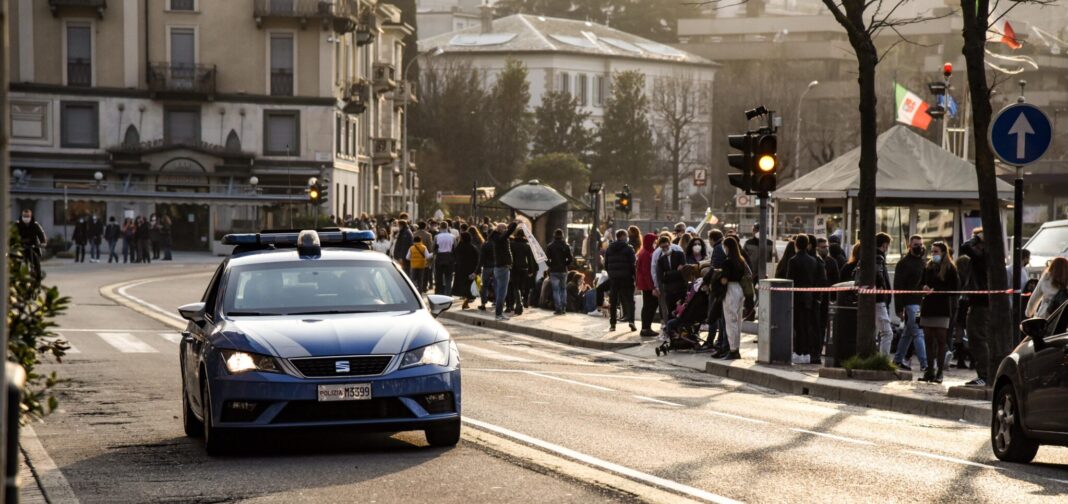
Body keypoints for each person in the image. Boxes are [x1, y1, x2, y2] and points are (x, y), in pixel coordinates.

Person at [919, 242, 960, 383]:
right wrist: (923, 287)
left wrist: (936, 289)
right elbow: (920, 283)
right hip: (928, 307)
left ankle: (940, 372)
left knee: (941, 340)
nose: (933, 254)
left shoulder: (950, 268)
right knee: (928, 340)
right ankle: (929, 371)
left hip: (942, 307)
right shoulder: (928, 266)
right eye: (932, 251)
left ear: (943, 252)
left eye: (936, 251)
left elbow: (954, 288)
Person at [959, 227, 990, 386]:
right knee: (977, 338)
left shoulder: (982, 256)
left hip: (980, 303)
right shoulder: (981, 257)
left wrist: (977, 238)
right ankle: (984, 374)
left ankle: (984, 376)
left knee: (977, 338)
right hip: (978, 301)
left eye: (976, 241)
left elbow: (964, 247)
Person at [787, 234, 824, 363]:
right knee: (807, 325)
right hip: (809, 297)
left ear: (796, 244)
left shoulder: (793, 260)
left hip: (796, 297)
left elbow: (789, 280)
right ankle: (807, 353)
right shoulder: (813, 260)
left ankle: (798, 351)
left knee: (797, 325)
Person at [893, 235, 928, 371]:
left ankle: (897, 359)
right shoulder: (903, 263)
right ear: (909, 246)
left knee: (908, 332)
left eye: (920, 244)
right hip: (910, 303)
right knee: (918, 332)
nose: (918, 247)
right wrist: (899, 308)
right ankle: (925, 364)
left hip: (918, 303)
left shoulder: (922, 262)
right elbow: (898, 286)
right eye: (915, 244)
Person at [718, 236, 749, 360]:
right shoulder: (741, 260)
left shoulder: (727, 261)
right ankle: (736, 348)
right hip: (740, 289)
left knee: (730, 322)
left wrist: (718, 277)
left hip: (730, 290)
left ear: (727, 247)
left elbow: (725, 280)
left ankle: (733, 349)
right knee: (738, 321)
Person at [605, 229, 637, 332]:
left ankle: (613, 324)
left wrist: (611, 274)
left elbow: (606, 265)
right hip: (626, 278)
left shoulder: (609, 248)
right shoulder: (629, 249)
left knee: (613, 301)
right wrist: (634, 277)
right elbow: (633, 265)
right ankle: (631, 321)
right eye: (626, 236)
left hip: (614, 279)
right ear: (623, 236)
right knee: (629, 301)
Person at [655, 235, 687, 325]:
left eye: (666, 246)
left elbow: (683, 272)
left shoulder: (680, 255)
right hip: (669, 291)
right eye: (662, 247)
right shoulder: (660, 260)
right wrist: (675, 272)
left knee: (682, 311)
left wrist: (668, 274)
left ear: (670, 244)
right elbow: (661, 277)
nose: (665, 249)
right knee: (670, 312)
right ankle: (671, 332)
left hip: (681, 289)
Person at [489, 221, 519, 321]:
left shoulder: (496, 237)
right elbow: (508, 232)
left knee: (501, 292)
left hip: (501, 267)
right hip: (502, 268)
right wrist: (515, 223)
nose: (506, 230)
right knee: (502, 293)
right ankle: (498, 314)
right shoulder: (499, 238)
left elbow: (507, 232)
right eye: (504, 228)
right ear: (500, 229)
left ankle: (499, 313)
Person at [507, 229, 537, 315]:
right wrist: (531, 270)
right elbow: (530, 259)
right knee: (520, 287)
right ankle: (518, 303)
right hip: (524, 268)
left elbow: (510, 256)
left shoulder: (512, 244)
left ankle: (516, 304)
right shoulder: (527, 245)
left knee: (513, 286)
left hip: (514, 268)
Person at [873, 232, 894, 355]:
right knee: (887, 333)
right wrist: (881, 285)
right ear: (885, 245)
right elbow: (879, 274)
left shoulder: (872, 256)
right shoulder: (878, 258)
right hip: (879, 300)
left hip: (877, 299)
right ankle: (883, 361)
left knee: (876, 332)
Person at [545, 229, 573, 315]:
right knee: (563, 289)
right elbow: (570, 259)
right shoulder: (566, 245)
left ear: (554, 235)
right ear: (562, 235)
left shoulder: (550, 246)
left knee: (556, 290)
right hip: (563, 270)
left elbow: (546, 259)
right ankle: (564, 307)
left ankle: (558, 308)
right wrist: (565, 264)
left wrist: (550, 265)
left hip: (554, 270)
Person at [635, 233, 658, 336]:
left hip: (645, 284)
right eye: (654, 241)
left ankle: (646, 327)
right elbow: (646, 272)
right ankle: (646, 328)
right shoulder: (646, 254)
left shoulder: (644, 251)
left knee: (648, 306)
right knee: (650, 306)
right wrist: (652, 286)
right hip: (647, 285)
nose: (655, 243)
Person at [453, 231, 481, 310]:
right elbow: (477, 259)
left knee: (464, 286)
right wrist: (477, 271)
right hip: (471, 270)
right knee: (470, 287)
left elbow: (455, 257)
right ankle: (467, 301)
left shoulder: (459, 247)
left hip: (460, 270)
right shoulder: (472, 247)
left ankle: (466, 300)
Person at [16, 209, 47, 279]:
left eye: (27, 216)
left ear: (31, 216)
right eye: (24, 216)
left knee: (36, 260)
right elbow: (11, 235)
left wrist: (43, 242)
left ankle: (38, 277)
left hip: (32, 246)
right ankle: (15, 277)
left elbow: (41, 234)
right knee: (16, 260)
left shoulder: (35, 225)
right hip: (20, 247)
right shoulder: (17, 225)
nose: (26, 218)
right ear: (21, 216)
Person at [433, 222, 456, 296]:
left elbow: (434, 248)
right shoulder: (453, 236)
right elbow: (455, 248)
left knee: (439, 277)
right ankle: (448, 293)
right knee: (448, 277)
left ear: (440, 227)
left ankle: (439, 293)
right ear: (447, 227)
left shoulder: (437, 236)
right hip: (449, 257)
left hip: (440, 257)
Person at [477, 232, 496, 311]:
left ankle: (483, 304)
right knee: (497, 285)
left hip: (487, 267)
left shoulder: (485, 244)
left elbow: (481, 258)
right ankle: (496, 301)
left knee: (484, 286)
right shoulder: (498, 244)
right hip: (496, 267)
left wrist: (477, 269)